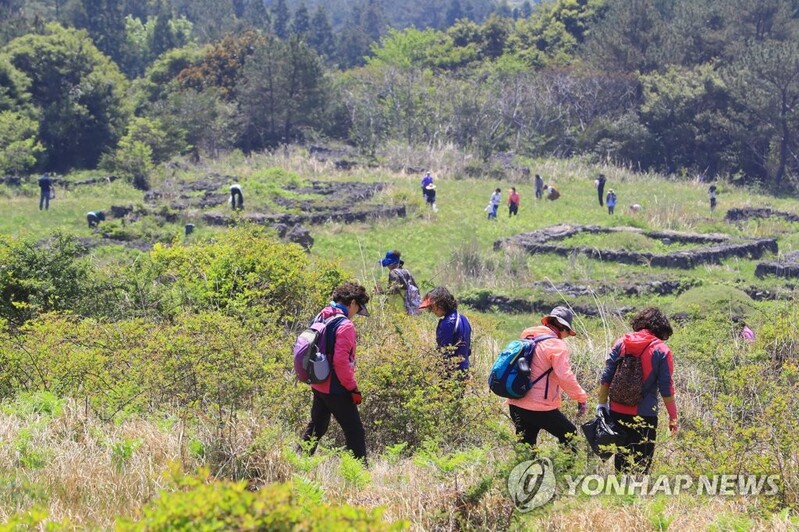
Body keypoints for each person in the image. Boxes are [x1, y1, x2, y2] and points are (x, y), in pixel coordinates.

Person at [597, 307, 678, 474]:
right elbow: (666, 388)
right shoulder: (661, 350)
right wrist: (673, 417)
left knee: (621, 459)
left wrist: (602, 404)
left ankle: (620, 488)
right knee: (642, 463)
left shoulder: (621, 342)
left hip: (616, 410)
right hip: (645, 413)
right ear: (661, 328)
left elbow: (606, 376)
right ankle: (636, 489)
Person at [302, 281, 370, 462]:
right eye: (358, 308)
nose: (356, 313)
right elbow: (341, 362)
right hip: (336, 387)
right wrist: (352, 389)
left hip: (318, 382)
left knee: (317, 427)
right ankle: (359, 472)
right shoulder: (345, 325)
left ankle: (299, 461)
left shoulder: (323, 314)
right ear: (353, 302)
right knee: (355, 431)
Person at [507, 306, 588, 452]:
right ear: (563, 327)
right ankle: (564, 466)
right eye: (567, 333)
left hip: (515, 400)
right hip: (538, 406)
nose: (565, 337)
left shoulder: (528, 336)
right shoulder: (556, 345)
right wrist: (580, 397)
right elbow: (565, 376)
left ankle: (525, 467)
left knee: (526, 445)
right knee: (569, 434)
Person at [419, 286, 472, 375]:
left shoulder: (447, 323)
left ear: (440, 304)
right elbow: (468, 349)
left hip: (450, 372)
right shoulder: (464, 318)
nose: (431, 311)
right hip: (464, 369)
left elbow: (444, 352)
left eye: (432, 307)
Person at [378, 250, 421, 315]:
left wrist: (381, 292)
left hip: (398, 307)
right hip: (409, 307)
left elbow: (395, 290)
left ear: (390, 263)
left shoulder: (393, 273)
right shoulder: (406, 272)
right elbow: (416, 288)